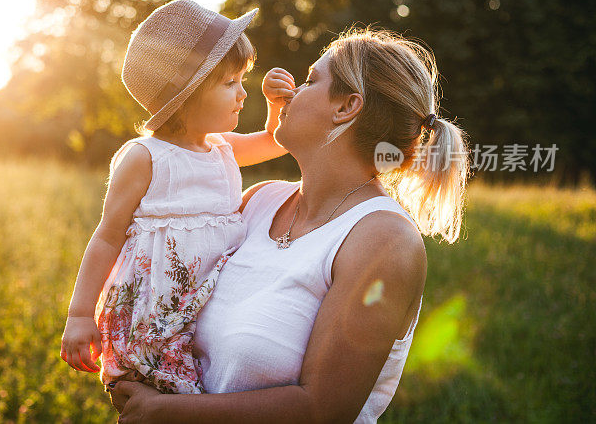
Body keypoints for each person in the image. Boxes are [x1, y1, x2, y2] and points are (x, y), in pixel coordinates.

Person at [109, 28, 470, 423]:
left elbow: (321, 410)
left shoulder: (384, 240)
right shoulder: (258, 201)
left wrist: (166, 411)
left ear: (346, 107)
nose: (292, 91)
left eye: (312, 80)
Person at [60, 0, 296, 394]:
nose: (242, 94)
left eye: (242, 81)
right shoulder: (146, 157)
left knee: (213, 391)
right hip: (157, 316)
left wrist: (276, 107)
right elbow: (107, 235)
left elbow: (276, 141)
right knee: (166, 398)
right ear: (187, 95)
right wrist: (80, 313)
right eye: (229, 83)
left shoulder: (221, 147)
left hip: (214, 301)